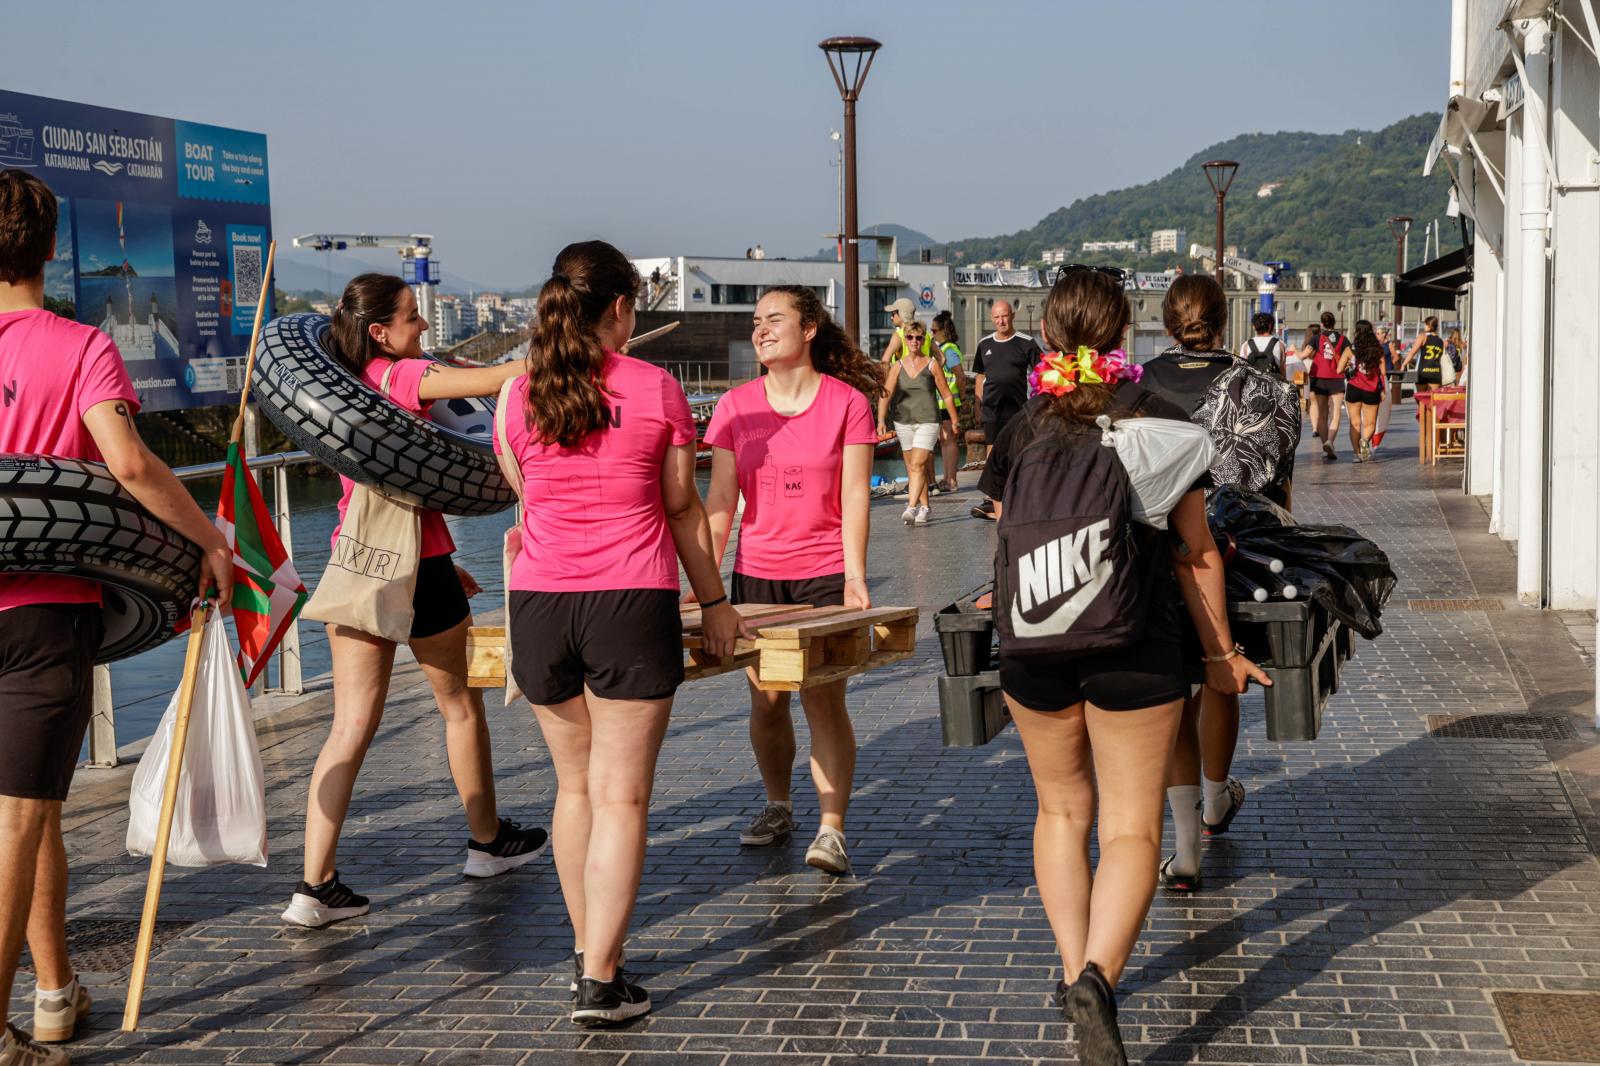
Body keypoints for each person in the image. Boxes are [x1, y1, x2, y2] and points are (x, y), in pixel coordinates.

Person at [977, 267, 1267, 1064]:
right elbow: (1196, 555)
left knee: (1061, 814)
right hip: (1134, 643)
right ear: (1125, 333)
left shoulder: (1020, 431)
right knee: (1133, 827)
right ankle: (1100, 979)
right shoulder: (1161, 419)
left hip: (1033, 643)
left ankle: (1075, 965)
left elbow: (1006, 540)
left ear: (1047, 332)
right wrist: (1221, 656)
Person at [0, 170, 234, 1064]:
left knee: (35, 813)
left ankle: (55, 994)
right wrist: (210, 541)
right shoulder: (77, 344)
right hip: (44, 612)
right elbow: (129, 467)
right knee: (20, 817)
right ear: (53, 248)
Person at [500, 241, 747, 1026]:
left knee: (574, 789)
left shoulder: (515, 397)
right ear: (618, 309)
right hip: (628, 601)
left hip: (538, 605)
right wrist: (715, 603)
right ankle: (601, 981)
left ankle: (590, 953)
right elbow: (680, 507)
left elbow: (527, 497)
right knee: (622, 796)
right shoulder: (656, 388)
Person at [284, 274, 548, 931]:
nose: (424, 329)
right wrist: (556, 354)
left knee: (348, 726)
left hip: (357, 563)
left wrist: (451, 560)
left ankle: (313, 884)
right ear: (380, 332)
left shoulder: (344, 385)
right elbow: (494, 382)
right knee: (459, 707)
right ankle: (487, 843)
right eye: (412, 318)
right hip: (419, 571)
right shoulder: (396, 377)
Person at [702, 285, 880, 875]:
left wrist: (855, 575)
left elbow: (856, 493)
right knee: (768, 701)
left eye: (774, 319)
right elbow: (722, 501)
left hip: (823, 572)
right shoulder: (735, 406)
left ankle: (833, 829)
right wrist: (706, 585)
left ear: (809, 329)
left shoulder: (848, 403)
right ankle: (779, 804)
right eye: (755, 321)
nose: (760, 330)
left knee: (823, 700)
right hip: (756, 575)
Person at [1140, 275, 1292, 899]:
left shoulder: (1138, 387)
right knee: (1221, 669)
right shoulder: (1263, 388)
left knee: (1177, 696)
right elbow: (1278, 490)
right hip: (1233, 553)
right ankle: (1213, 800)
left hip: (1153, 554)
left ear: (1167, 320)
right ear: (1224, 321)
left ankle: (1184, 851)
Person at [877, 317, 958, 525]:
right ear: (905, 340)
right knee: (914, 468)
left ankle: (911, 507)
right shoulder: (897, 367)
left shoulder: (931, 364)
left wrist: (955, 420)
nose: (914, 341)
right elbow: (885, 393)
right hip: (903, 421)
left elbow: (946, 394)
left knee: (918, 463)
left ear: (924, 341)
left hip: (928, 420)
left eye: (919, 338)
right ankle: (925, 507)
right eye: (910, 337)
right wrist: (880, 421)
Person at [970, 300, 1043, 520]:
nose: (1001, 321)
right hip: (992, 409)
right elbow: (980, 376)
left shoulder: (1026, 343)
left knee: (1017, 451)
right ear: (992, 319)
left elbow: (1041, 372)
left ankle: (1016, 495)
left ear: (1012, 316)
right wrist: (977, 404)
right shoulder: (984, 344)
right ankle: (993, 500)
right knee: (992, 453)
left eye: (1004, 316)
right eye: (996, 317)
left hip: (1018, 410)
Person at [931, 309, 967, 492]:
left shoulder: (949, 350)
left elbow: (960, 376)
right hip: (941, 402)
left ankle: (951, 480)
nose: (932, 334)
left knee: (949, 439)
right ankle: (946, 479)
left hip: (949, 401)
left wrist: (961, 396)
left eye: (934, 331)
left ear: (943, 331)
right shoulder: (943, 349)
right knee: (944, 440)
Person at [1340, 321, 1386, 462]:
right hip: (1371, 390)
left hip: (1354, 388)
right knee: (1370, 423)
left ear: (1357, 332)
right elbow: (1383, 372)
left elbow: (1338, 370)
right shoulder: (1378, 349)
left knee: (1355, 423)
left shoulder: (1350, 349)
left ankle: (1356, 454)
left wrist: (1349, 366)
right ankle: (1365, 440)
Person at [1308, 311, 1347, 460]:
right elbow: (1349, 357)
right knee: (1336, 413)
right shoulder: (1343, 339)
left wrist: (1294, 351)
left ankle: (1325, 446)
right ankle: (1330, 441)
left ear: (1322, 324)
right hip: (1336, 377)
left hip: (1319, 379)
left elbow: (1304, 354)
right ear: (1334, 323)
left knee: (1322, 416)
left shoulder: (1316, 338)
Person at [879, 296, 930, 364]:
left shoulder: (899, 335)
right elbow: (942, 358)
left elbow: (885, 360)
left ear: (901, 315)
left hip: (903, 374)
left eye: (893, 314)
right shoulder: (927, 334)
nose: (891, 317)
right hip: (924, 374)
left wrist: (892, 374)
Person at [1401, 315, 1447, 391]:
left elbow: (1412, 352)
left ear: (1429, 326)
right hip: (1435, 372)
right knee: (1432, 399)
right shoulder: (1440, 341)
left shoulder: (1422, 336)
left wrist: (1404, 364)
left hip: (1423, 371)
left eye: (1425, 324)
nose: (1424, 326)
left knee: (1421, 398)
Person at [1238, 312, 1285, 376]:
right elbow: (1283, 371)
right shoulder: (1280, 344)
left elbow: (1241, 370)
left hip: (1252, 384)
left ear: (1254, 327)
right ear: (1270, 325)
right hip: (1273, 384)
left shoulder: (1246, 345)